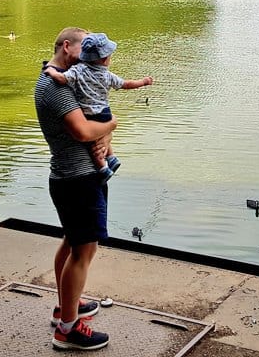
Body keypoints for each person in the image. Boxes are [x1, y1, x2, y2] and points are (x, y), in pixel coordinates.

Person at [33, 27, 117, 351]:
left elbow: (95, 115)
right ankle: (67, 329)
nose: (90, 57)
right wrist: (112, 124)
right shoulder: (56, 87)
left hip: (73, 176)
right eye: (84, 48)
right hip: (77, 179)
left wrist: (104, 133)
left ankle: (66, 306)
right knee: (84, 251)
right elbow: (83, 131)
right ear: (67, 47)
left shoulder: (68, 80)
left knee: (71, 242)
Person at [43, 32, 153, 182]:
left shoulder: (78, 70)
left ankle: (103, 168)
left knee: (94, 143)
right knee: (98, 137)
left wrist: (51, 71)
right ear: (105, 59)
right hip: (105, 113)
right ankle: (111, 157)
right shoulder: (106, 75)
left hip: (89, 113)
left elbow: (62, 79)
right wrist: (143, 82)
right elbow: (126, 84)